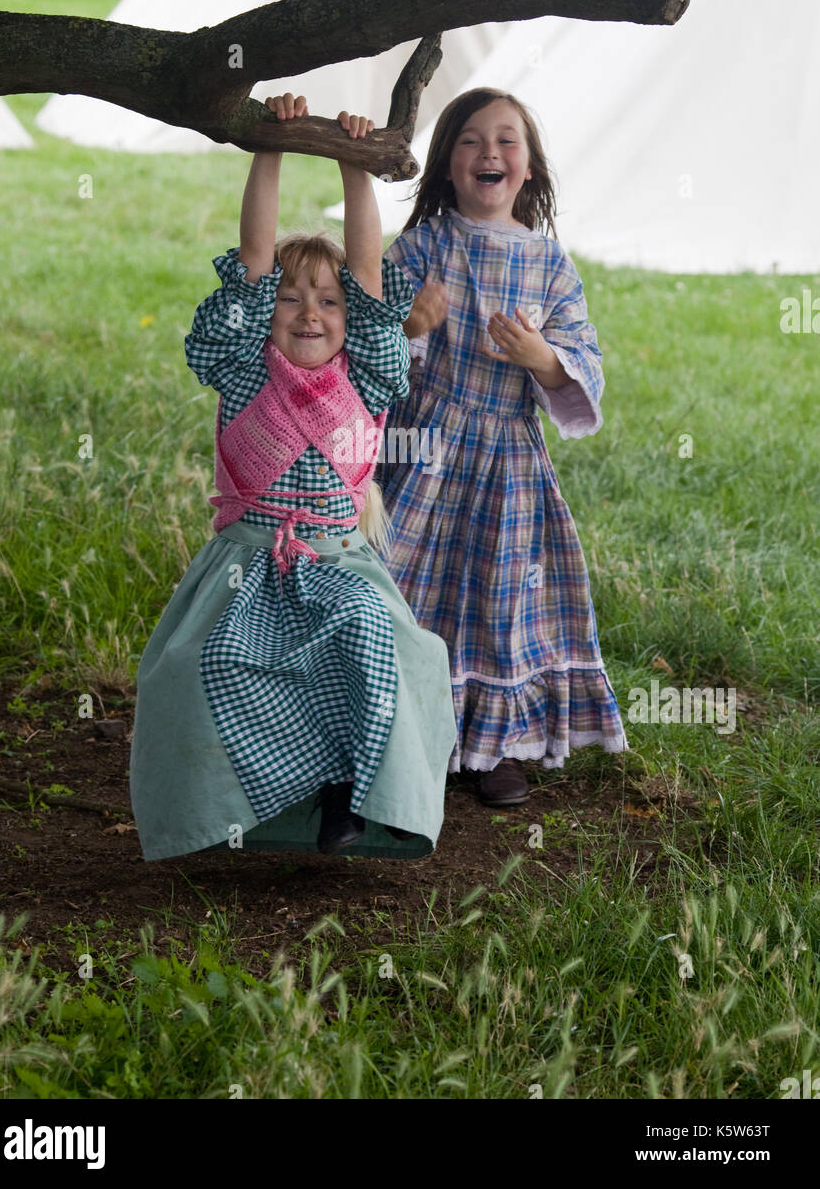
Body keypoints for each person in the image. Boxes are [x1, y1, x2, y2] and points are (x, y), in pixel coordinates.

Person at [130, 93, 457, 860]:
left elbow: (371, 269)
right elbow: (252, 257)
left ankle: (348, 796)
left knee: (371, 638)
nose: (309, 312)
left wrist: (354, 164)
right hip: (245, 565)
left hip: (338, 560)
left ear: (352, 318)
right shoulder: (245, 370)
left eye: (329, 301)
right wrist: (269, 144)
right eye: (289, 297)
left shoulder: (368, 374)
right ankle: (233, 807)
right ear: (264, 311)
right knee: (211, 662)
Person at [378, 87, 627, 806]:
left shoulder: (549, 263)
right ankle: (405, 729)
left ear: (529, 169)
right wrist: (412, 328)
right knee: (405, 583)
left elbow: (583, 361)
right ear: (448, 167)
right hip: (422, 449)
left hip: (506, 461)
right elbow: (372, 343)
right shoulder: (425, 245)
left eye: (507, 141)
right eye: (470, 141)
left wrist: (542, 357)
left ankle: (492, 747)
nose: (489, 151)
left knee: (497, 594)